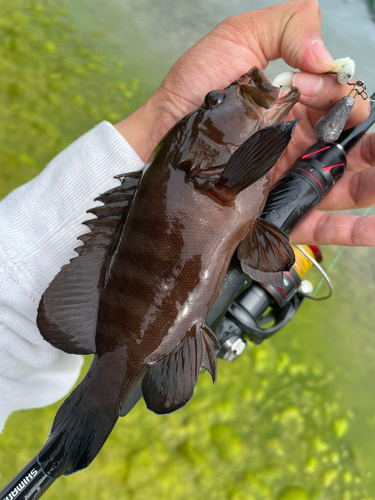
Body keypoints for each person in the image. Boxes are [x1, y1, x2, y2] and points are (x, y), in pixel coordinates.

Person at [0, 0, 374, 432]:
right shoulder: (223, 169)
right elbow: (263, 250)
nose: (229, 93)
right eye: (215, 101)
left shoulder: (221, 167)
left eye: (214, 100)